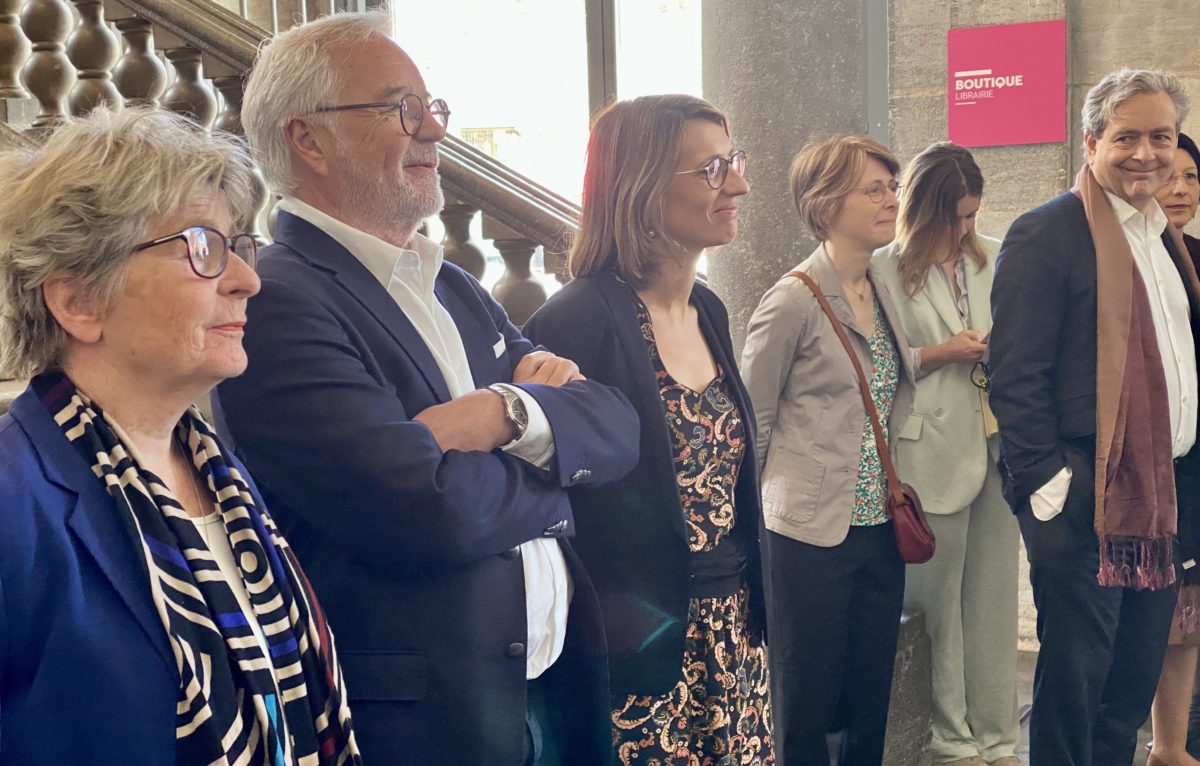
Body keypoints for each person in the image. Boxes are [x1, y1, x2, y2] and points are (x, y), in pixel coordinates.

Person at [215, 11, 640, 765]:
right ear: (307, 138)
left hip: (546, 687)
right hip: (431, 719)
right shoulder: (279, 299)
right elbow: (420, 506)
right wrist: (556, 474)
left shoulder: (452, 286)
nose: (433, 131)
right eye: (400, 108)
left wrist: (503, 414)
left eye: (432, 108)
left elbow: (615, 426)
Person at [0, 108, 360, 765]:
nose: (249, 281)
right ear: (79, 300)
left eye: (239, 246)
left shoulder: (217, 473)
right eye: (202, 247)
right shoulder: (13, 501)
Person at [523, 95, 772, 764]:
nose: (740, 185)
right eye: (714, 169)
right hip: (638, 655)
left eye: (735, 162)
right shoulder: (576, 320)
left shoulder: (710, 309)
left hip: (734, 636)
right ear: (641, 187)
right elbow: (550, 501)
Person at [989, 68, 1200, 766]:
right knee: (1075, 690)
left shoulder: (1162, 239)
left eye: (1161, 137)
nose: (1146, 153)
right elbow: (1015, 375)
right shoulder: (1047, 233)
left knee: (1127, 690)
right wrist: (1052, 489)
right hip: (1084, 496)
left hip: (1155, 501)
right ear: (1091, 141)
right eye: (1127, 136)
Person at [742, 133, 917, 765]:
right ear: (824, 203)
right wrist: (745, 536)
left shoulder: (878, 288)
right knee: (807, 698)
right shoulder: (791, 300)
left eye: (891, 187)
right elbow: (751, 423)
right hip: (807, 534)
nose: (890, 200)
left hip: (877, 526)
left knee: (869, 696)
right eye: (873, 189)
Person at [872, 142, 1020, 766]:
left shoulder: (989, 258)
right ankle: (953, 740)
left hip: (993, 441)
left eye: (972, 215)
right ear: (923, 210)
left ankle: (998, 737)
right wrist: (940, 354)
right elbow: (877, 364)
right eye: (955, 217)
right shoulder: (883, 268)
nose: (965, 230)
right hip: (927, 448)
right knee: (939, 603)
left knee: (992, 598)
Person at [1148, 130, 1200, 766]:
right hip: (1159, 465)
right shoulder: (1128, 260)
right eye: (1171, 175)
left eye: (1191, 176)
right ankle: (1157, 740)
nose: (1181, 188)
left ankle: (1173, 745)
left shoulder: (1195, 253)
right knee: (1166, 607)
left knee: (1191, 610)